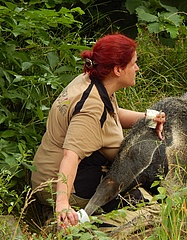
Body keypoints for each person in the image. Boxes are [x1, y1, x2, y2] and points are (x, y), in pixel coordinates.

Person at [31, 33, 166, 228]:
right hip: (62, 185)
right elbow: (71, 155)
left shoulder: (91, 80)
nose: (137, 68)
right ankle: (76, 226)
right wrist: (62, 204)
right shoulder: (91, 107)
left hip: (46, 174)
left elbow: (111, 115)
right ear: (118, 69)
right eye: (134, 63)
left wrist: (148, 118)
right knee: (154, 208)